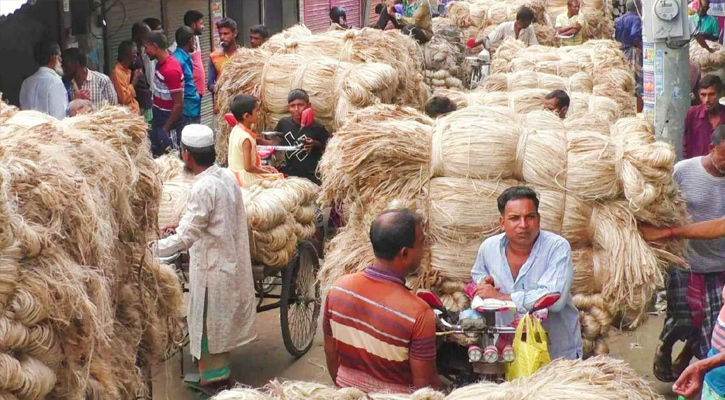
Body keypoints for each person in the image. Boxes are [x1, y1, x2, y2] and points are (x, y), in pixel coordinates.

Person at [155, 124, 256, 392]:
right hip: (225, 259)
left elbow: (186, 237)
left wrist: (152, 249)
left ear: (187, 156)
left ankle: (215, 382)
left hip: (213, 266)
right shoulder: (225, 177)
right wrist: (179, 225)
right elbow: (208, 219)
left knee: (210, 324)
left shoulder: (203, 188)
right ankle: (214, 376)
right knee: (215, 323)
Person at [323, 209, 440, 393]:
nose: (424, 250)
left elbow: (331, 355)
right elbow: (424, 389)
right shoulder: (418, 313)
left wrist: (349, 390)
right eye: (421, 243)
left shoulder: (337, 289)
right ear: (404, 253)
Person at [649, 127, 725, 383]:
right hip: (684, 260)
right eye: (724, 155)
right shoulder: (684, 171)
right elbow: (661, 203)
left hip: (719, 263)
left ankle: (688, 361)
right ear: (711, 149)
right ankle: (666, 346)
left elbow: (720, 226)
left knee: (710, 324)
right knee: (682, 317)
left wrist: (670, 232)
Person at [470, 186, 582, 360]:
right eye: (514, 218)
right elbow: (478, 273)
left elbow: (555, 301)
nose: (523, 225)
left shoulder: (557, 247)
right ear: (502, 223)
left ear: (538, 219)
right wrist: (484, 282)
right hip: (507, 351)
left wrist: (502, 297)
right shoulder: (489, 248)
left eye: (529, 217)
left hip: (554, 353)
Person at [274, 89, 330, 185]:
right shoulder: (283, 123)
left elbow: (328, 148)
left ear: (309, 106)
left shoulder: (317, 127)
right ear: (288, 108)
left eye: (300, 105)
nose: (296, 109)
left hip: (312, 176)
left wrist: (314, 144)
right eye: (292, 106)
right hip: (290, 175)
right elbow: (276, 142)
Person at [227, 94, 282, 187]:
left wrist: (264, 167)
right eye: (256, 111)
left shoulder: (236, 129)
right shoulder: (246, 139)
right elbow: (248, 168)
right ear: (246, 116)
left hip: (232, 174)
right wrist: (264, 171)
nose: (259, 114)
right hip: (244, 178)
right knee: (279, 178)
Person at [145, 31, 184, 156]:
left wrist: (166, 128)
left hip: (169, 122)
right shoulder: (160, 64)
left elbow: (178, 104)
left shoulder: (171, 69)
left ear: (155, 47)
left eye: (147, 47)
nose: (145, 51)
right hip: (160, 119)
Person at [19, 40, 68, 119]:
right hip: (50, 130)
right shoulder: (55, 82)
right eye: (59, 56)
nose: (61, 60)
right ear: (53, 58)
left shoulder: (26, 82)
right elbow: (59, 117)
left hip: (30, 130)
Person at [685, 74, 725, 159]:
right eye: (703, 95)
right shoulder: (692, 114)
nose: (707, 100)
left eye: (711, 94)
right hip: (696, 167)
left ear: (720, 94)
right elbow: (685, 144)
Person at [208, 18, 241, 112]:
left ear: (234, 34)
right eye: (220, 34)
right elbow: (210, 84)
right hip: (221, 108)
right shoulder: (213, 56)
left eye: (226, 34)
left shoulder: (244, 55)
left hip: (240, 108)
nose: (222, 37)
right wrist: (223, 88)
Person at [468, 6, 538, 51]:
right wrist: (474, 44)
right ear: (520, 21)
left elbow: (534, 46)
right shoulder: (505, 26)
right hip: (506, 57)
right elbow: (488, 38)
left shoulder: (529, 29)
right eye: (528, 21)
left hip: (521, 59)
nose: (530, 23)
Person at [615, 0, 643, 110]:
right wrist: (639, 47)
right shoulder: (636, 19)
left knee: (626, 77)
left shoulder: (620, 19)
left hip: (622, 51)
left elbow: (616, 36)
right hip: (633, 52)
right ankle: (638, 109)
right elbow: (634, 35)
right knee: (638, 80)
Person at [173, 26, 202, 125]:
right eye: (194, 40)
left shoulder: (185, 57)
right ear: (190, 41)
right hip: (186, 111)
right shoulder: (178, 61)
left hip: (192, 108)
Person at [110, 40, 142, 115]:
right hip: (126, 114)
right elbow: (123, 99)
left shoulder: (127, 70)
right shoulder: (117, 72)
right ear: (125, 56)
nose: (136, 57)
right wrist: (134, 81)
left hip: (133, 111)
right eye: (133, 55)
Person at [132, 22, 154, 123]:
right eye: (147, 36)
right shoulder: (133, 55)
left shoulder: (140, 52)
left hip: (145, 99)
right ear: (140, 37)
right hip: (139, 101)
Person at [183, 10, 207, 99]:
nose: (203, 27)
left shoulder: (196, 38)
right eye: (200, 24)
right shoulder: (184, 43)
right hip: (191, 91)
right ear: (193, 25)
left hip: (198, 90)